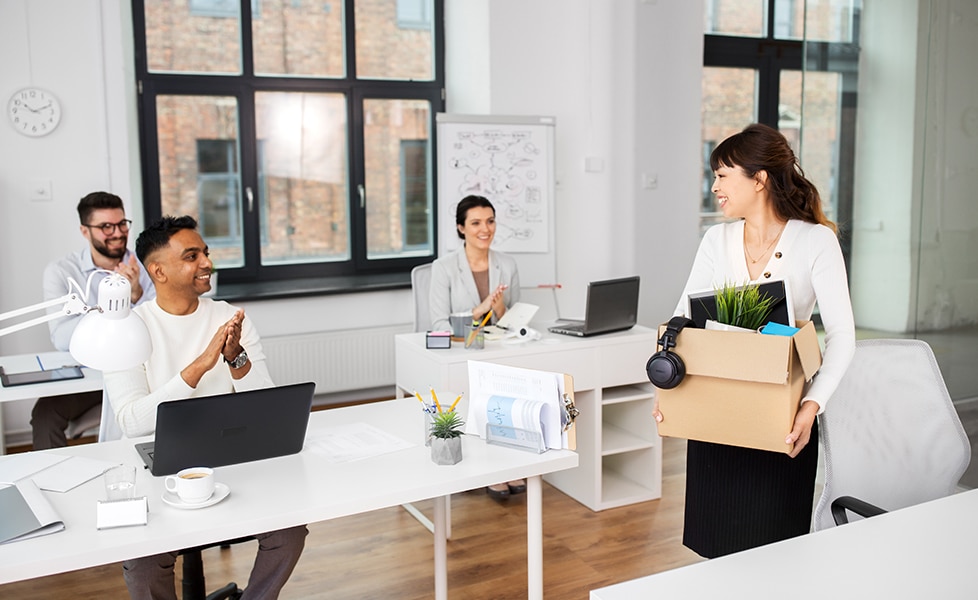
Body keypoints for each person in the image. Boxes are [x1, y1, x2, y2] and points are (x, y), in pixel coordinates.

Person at [653, 123, 855, 558]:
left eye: (723, 175)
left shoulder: (815, 240)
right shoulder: (716, 239)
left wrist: (811, 406)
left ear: (759, 178)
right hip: (715, 413)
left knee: (775, 551)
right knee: (715, 546)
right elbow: (681, 319)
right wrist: (667, 391)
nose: (714, 187)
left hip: (780, 416)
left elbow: (842, 337)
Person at [103, 215, 306, 600]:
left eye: (206, 253)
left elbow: (265, 403)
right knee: (143, 565)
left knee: (289, 531)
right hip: (160, 469)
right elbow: (132, 422)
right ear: (157, 270)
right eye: (192, 256)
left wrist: (235, 357)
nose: (207, 263)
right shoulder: (128, 328)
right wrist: (199, 367)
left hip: (228, 458)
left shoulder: (228, 316)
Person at [34, 191, 156, 450]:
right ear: (84, 231)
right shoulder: (62, 272)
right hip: (89, 377)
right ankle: (53, 480)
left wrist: (135, 294)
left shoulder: (145, 267)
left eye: (122, 224)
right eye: (105, 226)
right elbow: (61, 337)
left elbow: (157, 325)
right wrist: (115, 307)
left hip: (141, 375)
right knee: (45, 414)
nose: (117, 232)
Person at [428, 195, 524, 500]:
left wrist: (499, 310)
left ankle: (508, 464)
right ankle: (487, 469)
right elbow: (439, 324)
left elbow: (515, 320)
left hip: (498, 351)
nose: (486, 229)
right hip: (462, 355)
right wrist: (478, 308)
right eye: (476, 223)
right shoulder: (443, 268)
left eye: (491, 221)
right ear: (461, 228)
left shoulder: (507, 264)